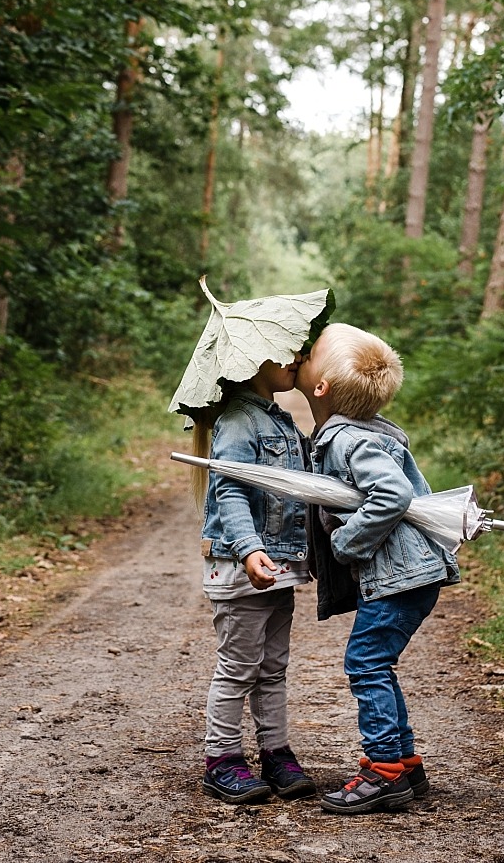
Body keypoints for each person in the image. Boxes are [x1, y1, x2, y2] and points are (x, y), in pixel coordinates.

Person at [296, 323, 459, 816]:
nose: (299, 357)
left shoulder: (349, 440)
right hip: (407, 576)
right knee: (376, 664)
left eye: (308, 356)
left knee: (365, 664)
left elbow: (392, 494)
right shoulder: (360, 430)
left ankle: (383, 772)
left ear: (321, 387)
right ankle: (405, 763)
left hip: (400, 577)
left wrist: (346, 541)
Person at [193, 357, 317, 804]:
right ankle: (221, 760)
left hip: (277, 566)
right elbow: (230, 488)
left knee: (273, 668)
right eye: (284, 353)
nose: (296, 361)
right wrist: (248, 547)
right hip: (242, 565)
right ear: (251, 361)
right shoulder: (239, 420)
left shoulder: (278, 419)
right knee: (239, 668)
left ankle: (275, 753)